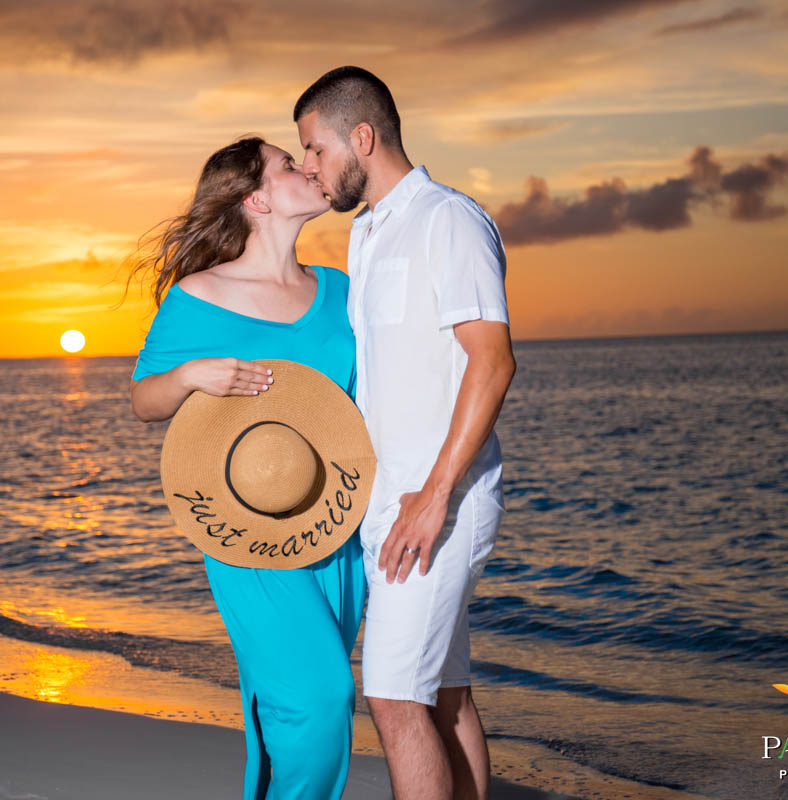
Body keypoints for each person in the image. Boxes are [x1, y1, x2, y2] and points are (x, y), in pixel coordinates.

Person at [294, 67, 516, 800]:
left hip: (437, 504)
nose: (309, 168)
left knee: (392, 698)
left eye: (315, 150)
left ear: (363, 137)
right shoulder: (365, 233)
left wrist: (434, 495)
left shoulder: (448, 220)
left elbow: (493, 361)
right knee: (444, 698)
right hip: (392, 504)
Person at [123, 136, 367, 800]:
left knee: (295, 708)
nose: (309, 168)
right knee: (321, 697)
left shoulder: (341, 290)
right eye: (290, 164)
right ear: (255, 197)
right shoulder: (201, 295)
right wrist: (190, 375)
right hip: (249, 534)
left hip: (339, 521)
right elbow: (146, 399)